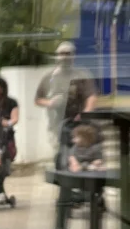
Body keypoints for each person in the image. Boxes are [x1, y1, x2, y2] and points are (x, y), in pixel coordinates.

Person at [35, 41, 98, 169]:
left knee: (80, 153)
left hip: (78, 123)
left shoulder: (82, 75)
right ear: (57, 56)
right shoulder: (50, 77)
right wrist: (50, 102)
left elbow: (92, 96)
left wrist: (86, 114)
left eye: (68, 54)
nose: (64, 57)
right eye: (61, 54)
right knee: (61, 154)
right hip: (57, 124)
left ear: (73, 56)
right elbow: (38, 99)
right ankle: (63, 182)